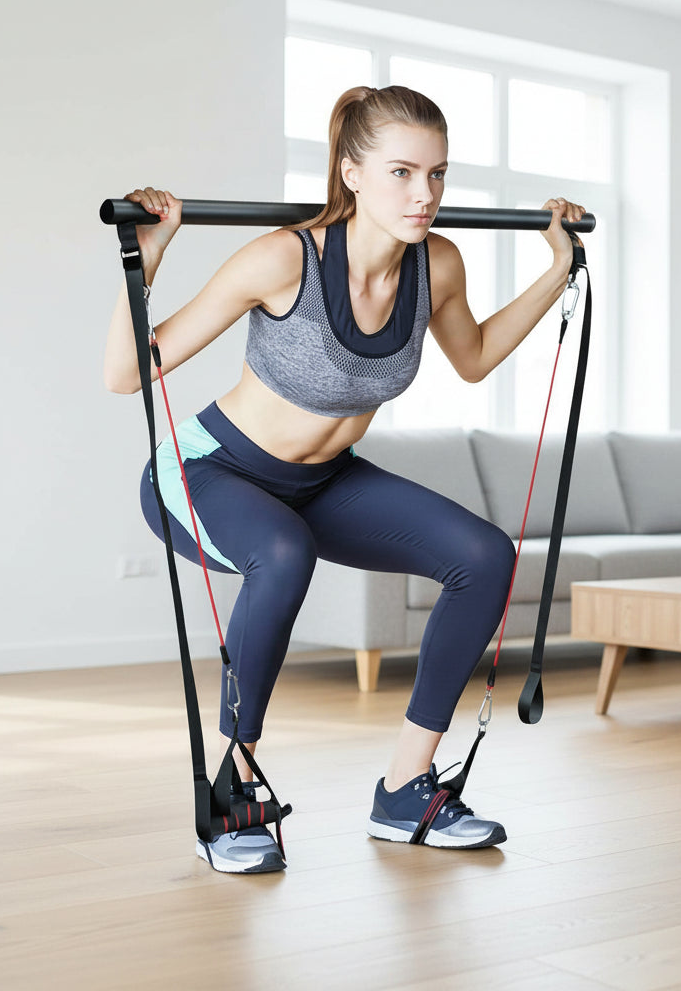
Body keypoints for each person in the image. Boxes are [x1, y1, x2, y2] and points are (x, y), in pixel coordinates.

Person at [104, 85, 585, 875]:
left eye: (437, 173)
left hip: (324, 480)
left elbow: (472, 359)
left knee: (484, 556)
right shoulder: (282, 258)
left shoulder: (437, 263)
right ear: (351, 173)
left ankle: (405, 790)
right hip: (206, 471)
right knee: (282, 552)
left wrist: (557, 269)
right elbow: (128, 373)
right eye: (401, 172)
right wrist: (146, 259)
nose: (424, 194)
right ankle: (234, 789)